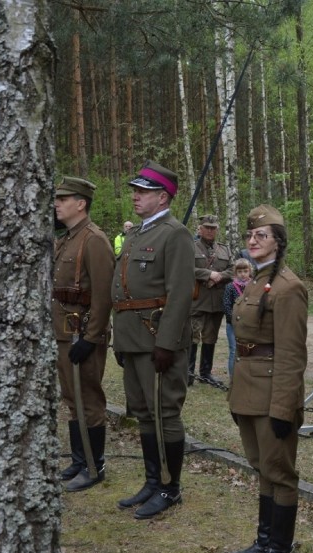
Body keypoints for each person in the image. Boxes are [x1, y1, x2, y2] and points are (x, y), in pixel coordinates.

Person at [111, 161, 194, 519]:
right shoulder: (136, 234)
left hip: (155, 338)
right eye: (135, 191)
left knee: (164, 412)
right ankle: (151, 480)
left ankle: (169, 487)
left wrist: (167, 342)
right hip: (132, 338)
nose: (135, 196)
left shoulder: (174, 233)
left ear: (163, 196)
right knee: (144, 412)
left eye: (142, 191)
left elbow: (179, 293)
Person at [226, 205, 307, 553]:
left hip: (273, 394)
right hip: (249, 390)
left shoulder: (288, 288)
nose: (253, 240)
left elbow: (291, 355)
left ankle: (280, 551)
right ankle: (263, 543)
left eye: (262, 235)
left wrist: (283, 408)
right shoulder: (256, 280)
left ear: (278, 242)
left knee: (280, 473)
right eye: (250, 235)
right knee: (262, 467)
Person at [52, 177, 115, 491]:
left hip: (82, 335)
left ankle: (94, 465)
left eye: (64, 199)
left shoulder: (94, 240)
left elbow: (104, 296)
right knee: (72, 398)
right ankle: (80, 459)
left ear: (81, 203)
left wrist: (91, 338)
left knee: (88, 398)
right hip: (64, 334)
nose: (57, 203)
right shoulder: (66, 239)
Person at [191, 214, 233, 384]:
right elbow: (184, 268)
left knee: (211, 337)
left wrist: (219, 276)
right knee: (192, 336)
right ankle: (188, 373)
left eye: (213, 228)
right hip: (196, 300)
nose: (210, 230)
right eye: (207, 227)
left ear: (217, 230)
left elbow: (233, 270)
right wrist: (208, 274)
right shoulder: (190, 247)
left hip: (216, 301)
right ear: (200, 229)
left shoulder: (224, 249)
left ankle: (205, 373)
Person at [222, 258, 252, 379]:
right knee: (234, 350)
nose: (243, 274)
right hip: (233, 325)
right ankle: (233, 379)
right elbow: (226, 305)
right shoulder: (230, 287)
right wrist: (234, 320)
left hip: (250, 324)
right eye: (240, 271)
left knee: (249, 351)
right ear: (235, 272)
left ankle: (247, 377)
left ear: (250, 271)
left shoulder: (254, 286)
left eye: (245, 271)